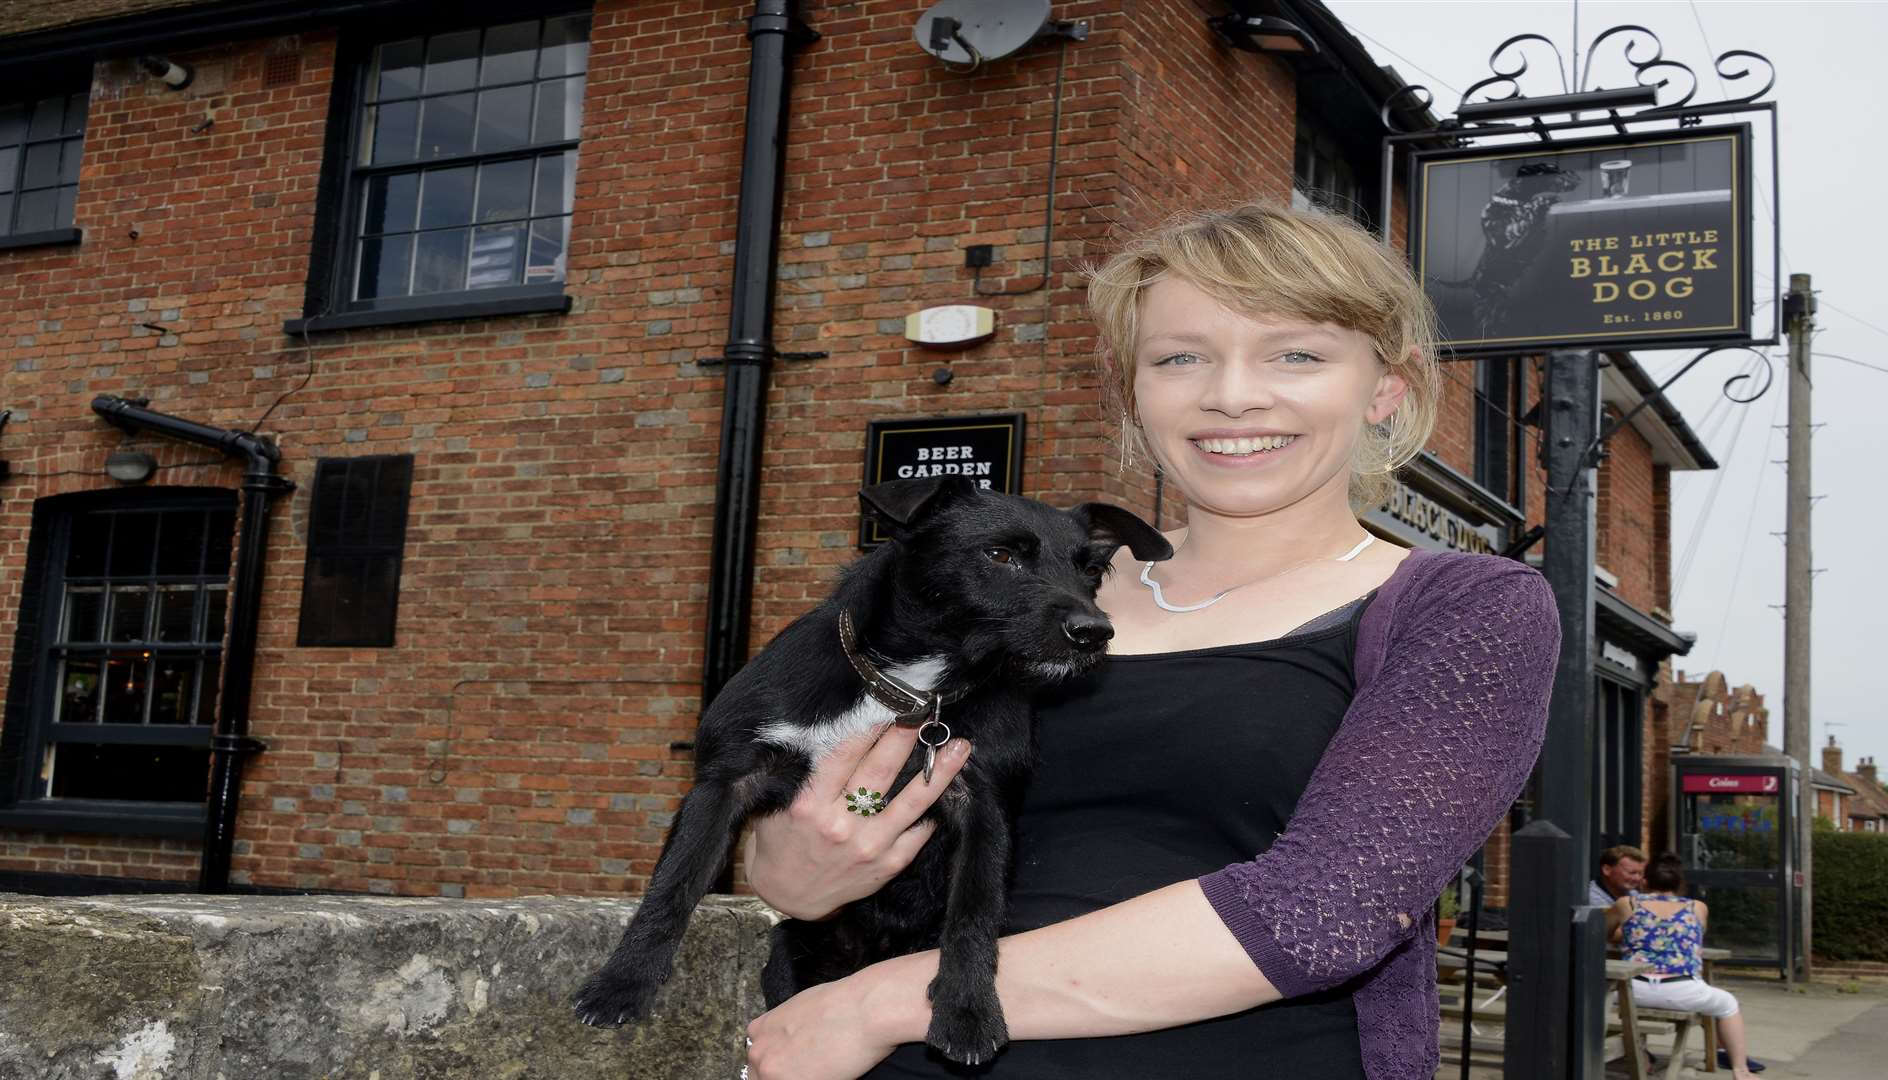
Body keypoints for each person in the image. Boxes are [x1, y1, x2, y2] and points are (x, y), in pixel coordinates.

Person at [739, 204, 1561, 1080]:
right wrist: (798, 861)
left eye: (1297, 354)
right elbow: (819, 824)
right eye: (1180, 358)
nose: (1232, 395)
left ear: (1385, 388)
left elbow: (1323, 910)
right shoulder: (1009, 600)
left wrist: (891, 999)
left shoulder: (1466, 609)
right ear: (1135, 389)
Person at [1610, 853, 1761, 1080]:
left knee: (1596, 999)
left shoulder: (1627, 904)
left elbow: (1600, 931)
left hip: (1633, 990)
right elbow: (1695, 937)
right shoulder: (1698, 907)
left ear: (1645, 881)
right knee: (1728, 1004)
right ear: (1680, 884)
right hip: (1682, 991)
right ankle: (1740, 1070)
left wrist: (1627, 934)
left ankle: (1635, 1055)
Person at [1591, 844, 1648, 908]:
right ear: (1607, 870)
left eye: (1640, 873)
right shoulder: (1590, 898)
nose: (1637, 878)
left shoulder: (1633, 893)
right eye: (1631, 873)